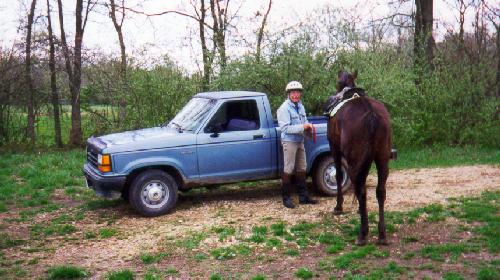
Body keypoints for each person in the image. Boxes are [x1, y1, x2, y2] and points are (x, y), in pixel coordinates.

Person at [277, 81, 318, 208]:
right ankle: (286, 198)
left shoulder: (300, 106)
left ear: (300, 94)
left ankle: (303, 197)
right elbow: (285, 128)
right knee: (289, 169)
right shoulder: (283, 108)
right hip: (289, 141)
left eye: (297, 92)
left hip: (300, 140)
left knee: (302, 168)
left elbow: (304, 120)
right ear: (288, 94)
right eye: (293, 93)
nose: (295, 95)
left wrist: (309, 127)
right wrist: (303, 126)